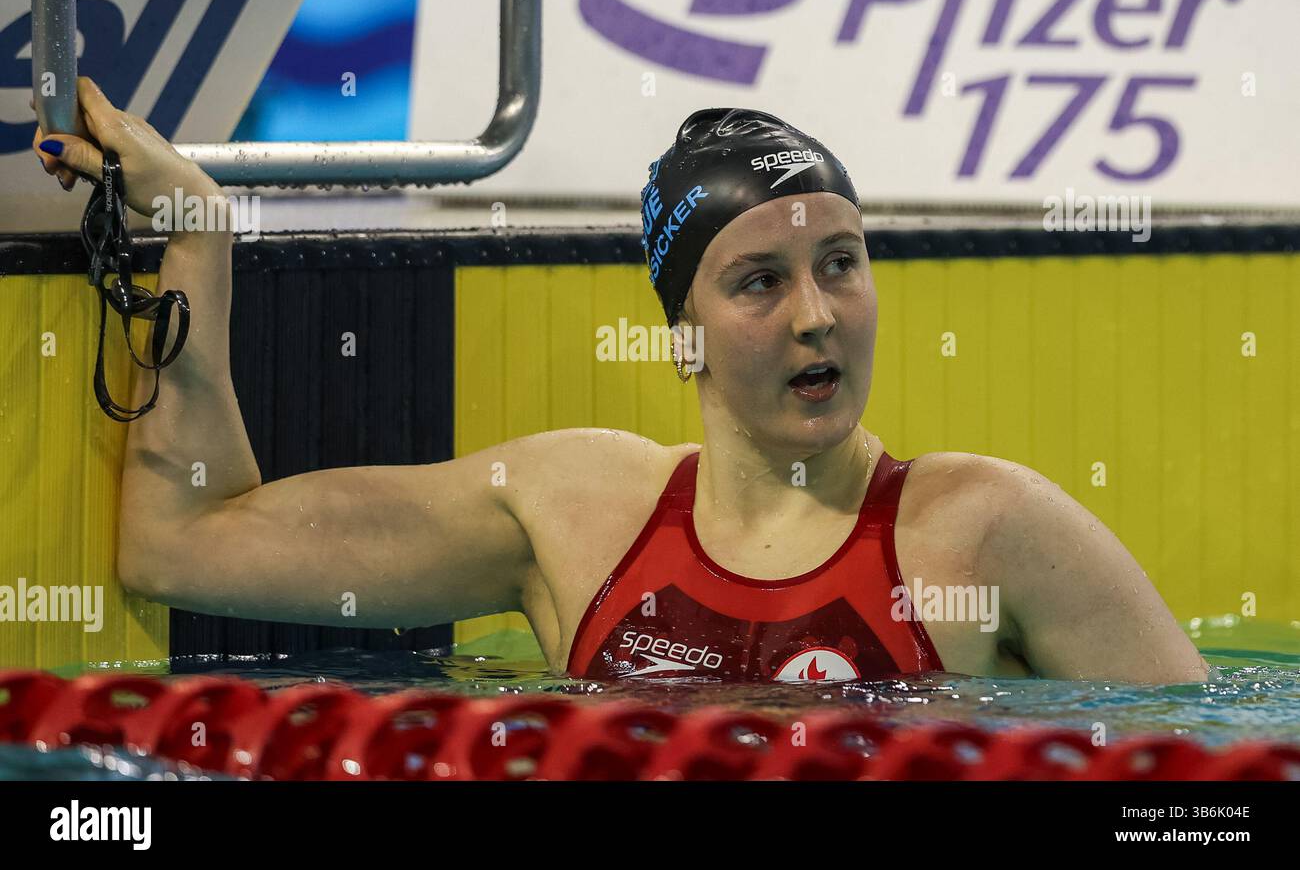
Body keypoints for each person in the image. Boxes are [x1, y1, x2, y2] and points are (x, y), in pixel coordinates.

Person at [34, 79, 1209, 684]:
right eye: (758, 281)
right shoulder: (569, 510)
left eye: (841, 265)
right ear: (683, 329)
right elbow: (187, 543)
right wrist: (197, 234)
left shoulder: (988, 530)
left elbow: (1210, 789)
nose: (815, 314)